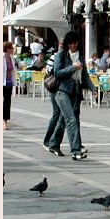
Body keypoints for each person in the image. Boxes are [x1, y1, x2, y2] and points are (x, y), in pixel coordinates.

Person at [42, 31, 95, 160]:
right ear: (67, 44)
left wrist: (93, 89)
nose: (73, 45)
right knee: (71, 119)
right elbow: (57, 72)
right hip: (62, 91)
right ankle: (76, 151)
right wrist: (73, 67)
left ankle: (54, 144)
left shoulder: (80, 57)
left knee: (63, 119)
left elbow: (85, 76)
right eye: (70, 43)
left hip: (75, 91)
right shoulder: (61, 55)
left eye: (75, 43)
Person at [2, 41, 15, 130]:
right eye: (11, 48)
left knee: (7, 102)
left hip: (9, 82)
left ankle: (5, 121)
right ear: (8, 49)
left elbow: (13, 70)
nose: (13, 49)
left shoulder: (12, 58)